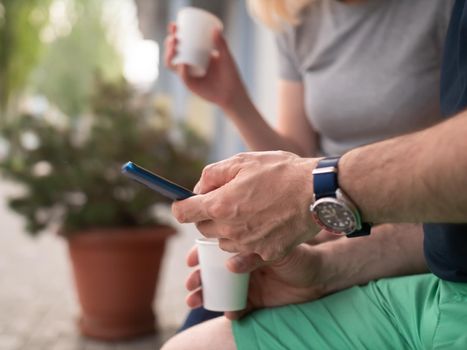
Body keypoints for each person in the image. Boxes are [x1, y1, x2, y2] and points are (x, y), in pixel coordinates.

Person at [161, 0, 467, 348]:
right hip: (320, 225)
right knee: (202, 322)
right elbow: (296, 160)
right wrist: (232, 98)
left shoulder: (441, 10)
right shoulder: (298, 17)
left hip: (405, 226)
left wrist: (319, 191)